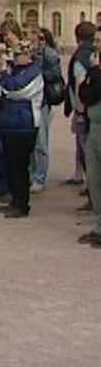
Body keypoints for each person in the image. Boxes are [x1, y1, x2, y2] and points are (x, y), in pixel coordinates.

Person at [0, 40, 44, 218]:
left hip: (25, 124)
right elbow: (1, 89)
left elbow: (17, 89)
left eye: (18, 55)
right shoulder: (15, 70)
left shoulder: (34, 72)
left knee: (20, 166)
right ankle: (15, 200)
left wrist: (4, 78)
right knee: (10, 164)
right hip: (9, 124)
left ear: (28, 55)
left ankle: (22, 204)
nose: (15, 58)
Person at [28, 27, 63, 192]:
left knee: (41, 142)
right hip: (30, 101)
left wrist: (38, 75)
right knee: (31, 141)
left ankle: (39, 177)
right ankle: (31, 173)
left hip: (43, 101)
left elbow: (56, 74)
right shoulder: (29, 53)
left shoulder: (48, 53)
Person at [65, 22, 96, 203]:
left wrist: (79, 111)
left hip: (85, 111)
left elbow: (79, 83)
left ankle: (93, 194)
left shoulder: (80, 56)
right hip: (90, 110)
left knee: (88, 154)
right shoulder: (90, 54)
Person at [77, 47, 101, 247]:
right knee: (94, 178)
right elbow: (85, 94)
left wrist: (94, 72)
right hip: (94, 126)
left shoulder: (96, 71)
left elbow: (94, 92)